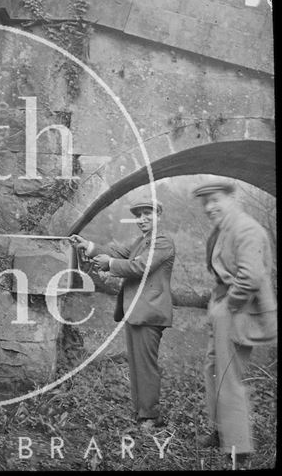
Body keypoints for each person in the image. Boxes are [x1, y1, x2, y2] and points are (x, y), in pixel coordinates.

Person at [70, 198, 176, 432]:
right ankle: (143, 414)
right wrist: (87, 245)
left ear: (159, 215)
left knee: (145, 366)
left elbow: (139, 267)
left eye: (148, 214)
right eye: (138, 215)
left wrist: (110, 264)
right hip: (137, 312)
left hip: (149, 313)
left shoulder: (163, 242)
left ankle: (149, 417)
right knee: (138, 365)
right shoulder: (141, 242)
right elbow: (114, 251)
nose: (142, 219)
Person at [193, 180, 277, 465]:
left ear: (233, 197)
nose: (209, 207)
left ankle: (238, 448)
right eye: (205, 202)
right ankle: (221, 430)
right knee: (213, 369)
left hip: (236, 311)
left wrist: (226, 307)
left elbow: (251, 276)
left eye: (215, 199)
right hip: (224, 307)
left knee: (228, 377)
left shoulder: (245, 228)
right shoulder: (225, 228)